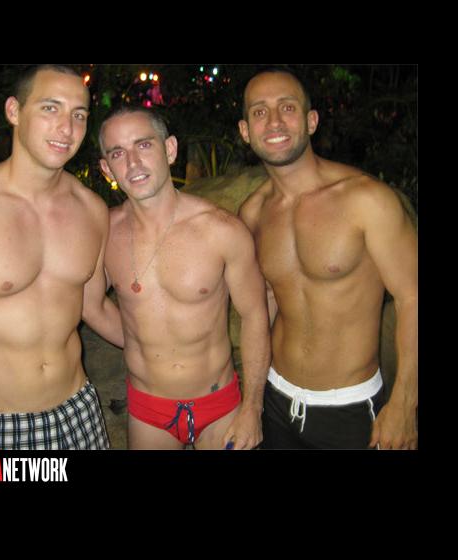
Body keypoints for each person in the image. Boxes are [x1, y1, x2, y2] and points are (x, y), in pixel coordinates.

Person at [0, 65, 123, 450]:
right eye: (50, 108)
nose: (67, 128)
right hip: (1, 423)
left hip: (80, 409)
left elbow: (93, 306)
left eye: (79, 114)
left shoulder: (92, 210)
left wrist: (165, 349)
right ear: (14, 111)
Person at [238, 69, 418, 450]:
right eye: (259, 112)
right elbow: (264, 306)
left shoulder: (367, 200)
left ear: (311, 121)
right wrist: (250, 401)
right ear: (245, 131)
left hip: (350, 408)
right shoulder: (253, 214)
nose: (274, 121)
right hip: (275, 399)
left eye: (287, 107)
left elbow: (413, 297)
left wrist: (404, 403)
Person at [99, 107, 270, 450]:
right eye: (118, 153)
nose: (133, 162)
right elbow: (90, 305)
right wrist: (138, 338)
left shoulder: (222, 230)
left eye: (144, 145)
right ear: (107, 169)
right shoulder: (103, 232)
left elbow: (255, 315)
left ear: (170, 149)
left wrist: (253, 406)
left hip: (220, 404)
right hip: (148, 409)